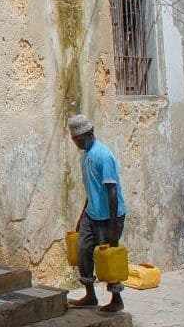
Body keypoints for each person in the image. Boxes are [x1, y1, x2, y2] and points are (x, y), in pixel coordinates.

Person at [67, 114, 128, 313]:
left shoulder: (103, 155)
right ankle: (90, 295)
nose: (75, 143)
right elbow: (91, 190)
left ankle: (116, 299)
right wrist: (81, 216)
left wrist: (113, 225)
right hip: (91, 214)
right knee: (83, 250)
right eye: (74, 140)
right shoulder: (86, 156)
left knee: (108, 257)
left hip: (108, 217)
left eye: (77, 140)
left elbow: (112, 192)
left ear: (86, 135)